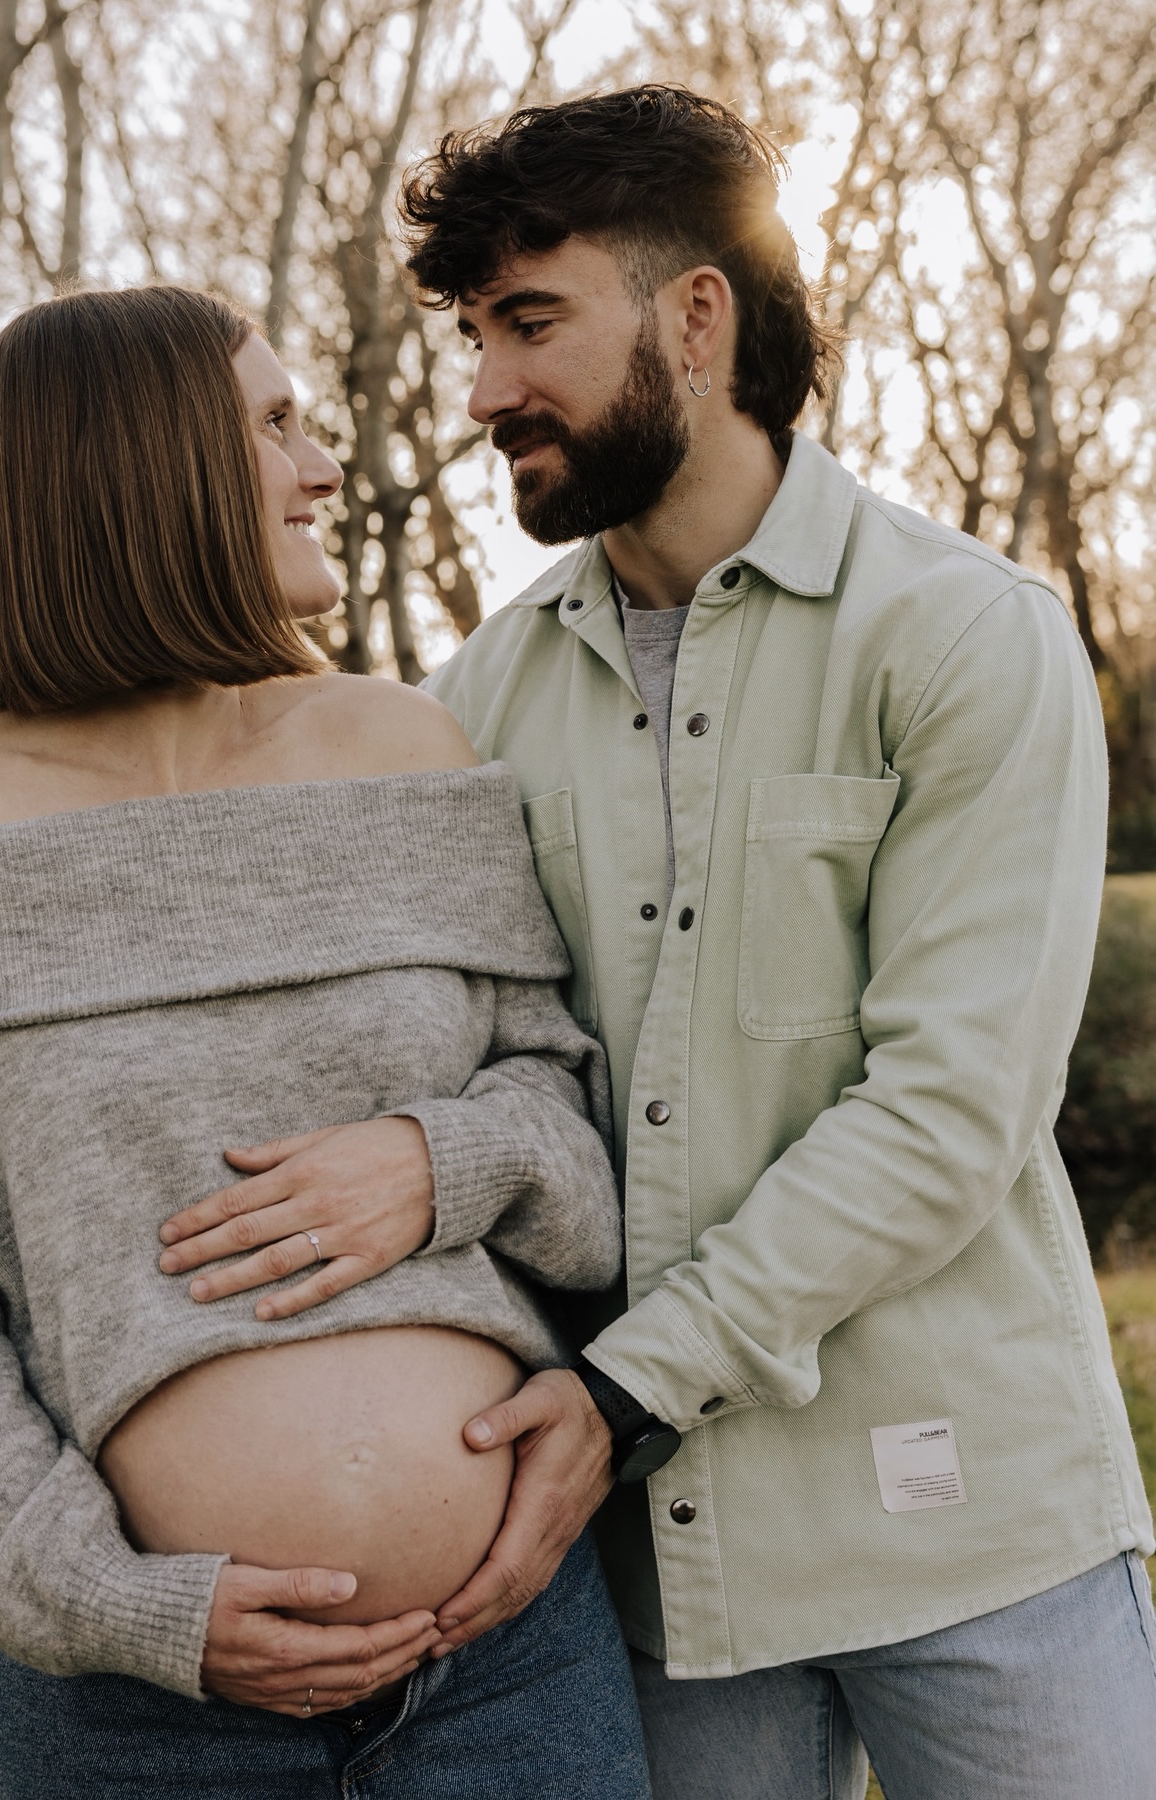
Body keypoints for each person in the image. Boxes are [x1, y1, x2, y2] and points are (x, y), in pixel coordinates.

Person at [388, 84, 1156, 1800]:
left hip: (976, 1546)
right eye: (473, 335)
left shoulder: (967, 636)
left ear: (697, 314)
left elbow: (949, 1108)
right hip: (665, 1580)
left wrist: (628, 1388)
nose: (486, 391)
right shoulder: (473, 707)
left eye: (529, 322)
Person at [0, 285, 652, 1800]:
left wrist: (433, 1162)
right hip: (140, 1720)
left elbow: (564, 1114)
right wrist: (121, 1607)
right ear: (141, 464)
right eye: (274, 424)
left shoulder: (404, 752)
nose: (325, 468)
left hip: (507, 1657)